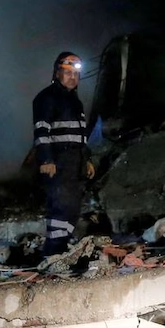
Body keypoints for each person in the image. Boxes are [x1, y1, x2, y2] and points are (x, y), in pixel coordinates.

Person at [32, 52, 94, 256]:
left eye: (75, 74)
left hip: (74, 161)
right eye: (67, 73)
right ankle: (53, 253)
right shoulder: (46, 98)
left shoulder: (75, 102)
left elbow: (80, 136)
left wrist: (87, 160)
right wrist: (46, 159)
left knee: (73, 208)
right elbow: (41, 131)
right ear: (57, 72)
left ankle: (59, 249)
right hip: (58, 160)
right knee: (61, 207)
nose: (72, 78)